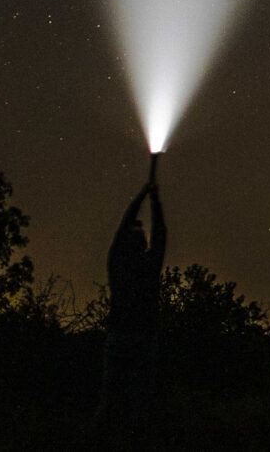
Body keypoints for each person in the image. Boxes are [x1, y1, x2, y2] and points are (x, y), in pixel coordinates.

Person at [97, 156, 167, 444]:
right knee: (139, 401)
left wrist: (142, 196)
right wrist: (155, 201)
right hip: (141, 339)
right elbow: (161, 234)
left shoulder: (117, 264)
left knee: (110, 397)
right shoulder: (149, 266)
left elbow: (122, 228)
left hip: (120, 338)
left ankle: (101, 439)